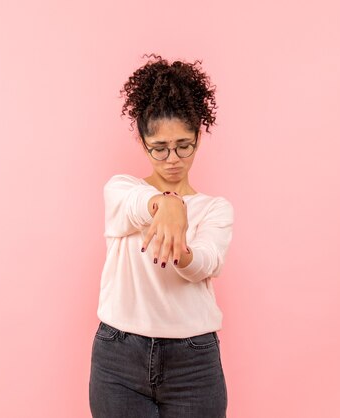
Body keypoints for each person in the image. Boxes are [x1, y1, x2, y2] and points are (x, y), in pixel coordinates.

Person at [88, 53, 234, 418]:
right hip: (118, 358)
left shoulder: (216, 209)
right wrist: (166, 205)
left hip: (193, 363)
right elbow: (137, 203)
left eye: (183, 145)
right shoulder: (123, 191)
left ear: (199, 137)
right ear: (143, 141)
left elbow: (205, 263)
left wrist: (181, 248)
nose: (172, 159)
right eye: (160, 148)